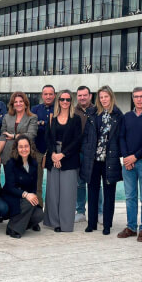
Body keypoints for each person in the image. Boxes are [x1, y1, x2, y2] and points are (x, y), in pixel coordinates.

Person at [80, 86, 124, 236]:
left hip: (109, 160)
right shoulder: (93, 113)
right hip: (93, 160)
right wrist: (87, 151)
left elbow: (120, 137)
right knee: (92, 192)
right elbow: (86, 136)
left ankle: (107, 225)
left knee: (109, 194)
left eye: (106, 96)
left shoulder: (118, 115)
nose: (104, 99)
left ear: (111, 97)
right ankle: (91, 223)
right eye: (101, 97)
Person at [117, 87, 142, 242]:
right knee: (130, 197)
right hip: (128, 163)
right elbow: (121, 137)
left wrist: (134, 157)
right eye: (136, 96)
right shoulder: (126, 116)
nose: (139, 99)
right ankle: (131, 227)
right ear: (133, 98)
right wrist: (126, 157)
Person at [44, 90, 82, 233]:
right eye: (62, 99)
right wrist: (54, 154)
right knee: (53, 193)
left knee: (68, 193)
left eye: (68, 99)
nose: (65, 102)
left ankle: (65, 224)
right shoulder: (52, 118)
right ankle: (54, 222)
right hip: (53, 157)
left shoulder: (76, 119)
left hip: (69, 158)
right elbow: (48, 138)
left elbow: (77, 140)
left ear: (71, 102)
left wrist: (62, 155)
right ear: (58, 101)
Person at [2, 135, 45, 238]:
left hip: (26, 197)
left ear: (30, 147)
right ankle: (12, 228)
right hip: (12, 196)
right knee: (29, 203)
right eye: (21, 147)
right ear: (16, 148)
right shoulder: (11, 163)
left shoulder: (34, 163)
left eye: (26, 146)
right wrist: (26, 195)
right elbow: (10, 187)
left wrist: (33, 196)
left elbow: (34, 186)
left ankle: (22, 224)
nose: (24, 149)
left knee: (39, 214)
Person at [74, 85, 97, 223]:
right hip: (78, 152)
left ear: (90, 96)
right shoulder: (73, 111)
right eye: (80, 95)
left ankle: (99, 211)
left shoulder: (97, 110)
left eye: (85, 95)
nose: (82, 98)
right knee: (79, 183)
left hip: (93, 153)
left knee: (95, 184)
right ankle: (80, 211)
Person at [31, 85, 56, 206]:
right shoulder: (35, 109)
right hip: (38, 150)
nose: (48, 96)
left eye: (50, 94)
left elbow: (56, 128)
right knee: (37, 183)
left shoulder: (59, 108)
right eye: (46, 94)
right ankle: (38, 209)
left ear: (54, 95)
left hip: (55, 152)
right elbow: (32, 126)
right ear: (42, 95)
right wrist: (48, 124)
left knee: (55, 184)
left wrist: (41, 123)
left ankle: (53, 211)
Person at [0, 91, 38, 164]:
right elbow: (3, 137)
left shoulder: (32, 117)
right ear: (13, 105)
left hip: (25, 154)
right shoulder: (6, 117)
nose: (18, 104)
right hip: (7, 155)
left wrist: (14, 136)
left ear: (26, 104)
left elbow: (31, 135)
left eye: (21, 101)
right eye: (15, 102)